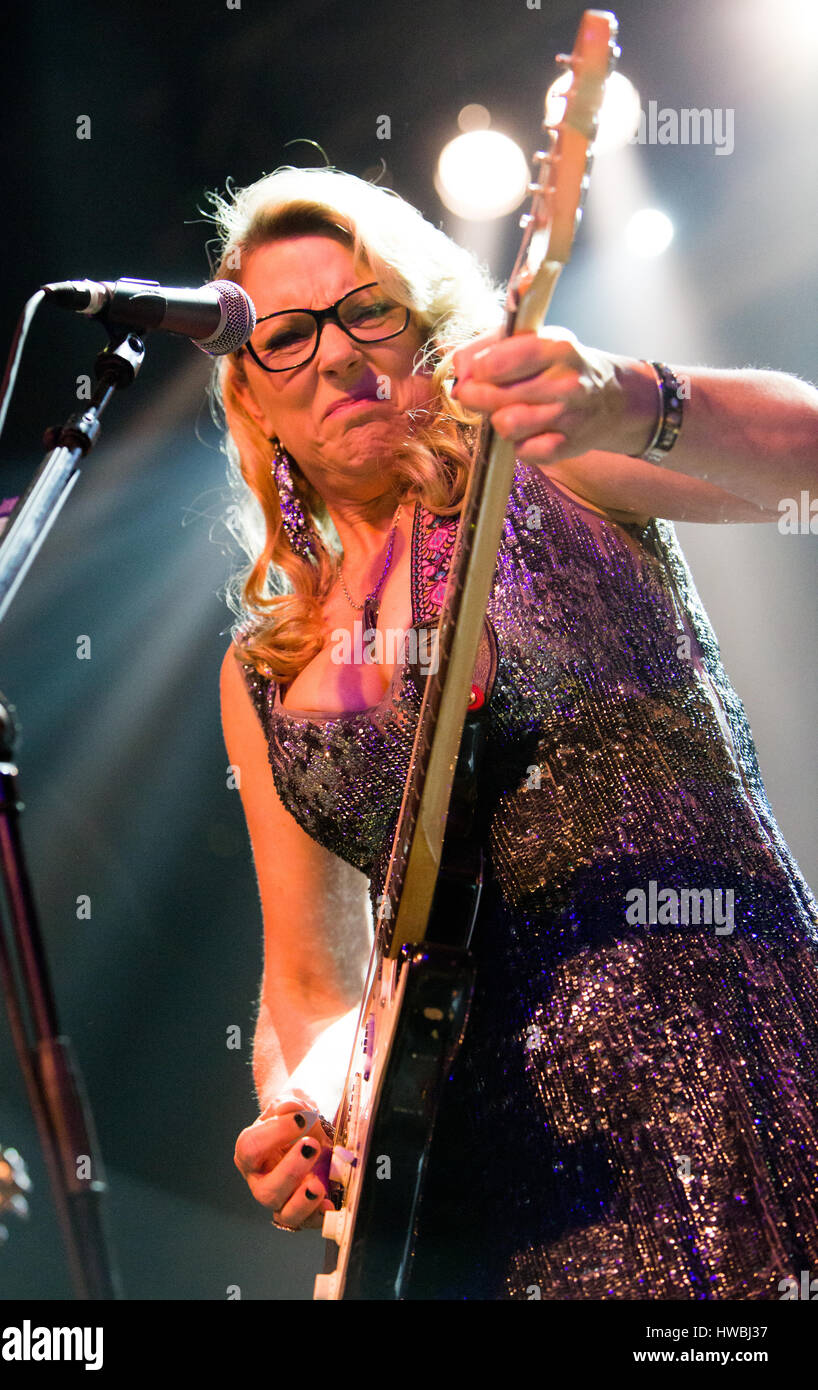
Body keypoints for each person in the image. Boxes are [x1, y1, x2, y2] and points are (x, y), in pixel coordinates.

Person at [214, 166, 818, 1299]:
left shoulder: (540, 460)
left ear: (423, 322)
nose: (338, 353)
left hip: (726, 1057)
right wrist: (300, 1106)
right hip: (490, 1195)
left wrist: (629, 397)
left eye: (366, 311)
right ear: (252, 398)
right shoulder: (264, 677)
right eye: (286, 335)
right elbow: (311, 982)